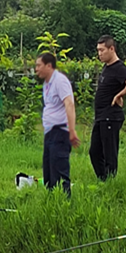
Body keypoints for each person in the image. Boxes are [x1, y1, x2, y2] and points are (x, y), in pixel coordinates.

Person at [90, 36, 126, 181]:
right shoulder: (106, 67)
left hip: (111, 116)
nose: (99, 54)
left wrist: (119, 95)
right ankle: (103, 179)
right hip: (101, 116)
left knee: (109, 153)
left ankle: (109, 182)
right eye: (98, 50)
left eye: (102, 50)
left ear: (112, 49)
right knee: (94, 152)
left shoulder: (119, 67)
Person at [35, 53, 80, 197]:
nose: (36, 69)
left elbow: (69, 103)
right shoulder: (47, 83)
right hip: (50, 133)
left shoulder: (60, 81)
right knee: (49, 171)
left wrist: (71, 130)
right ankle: (52, 201)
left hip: (60, 131)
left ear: (49, 66)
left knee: (59, 170)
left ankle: (64, 202)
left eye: (39, 65)